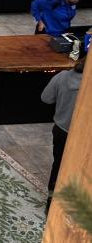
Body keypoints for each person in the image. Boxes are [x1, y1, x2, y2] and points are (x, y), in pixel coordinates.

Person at [41, 56, 85, 201]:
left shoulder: (62, 76)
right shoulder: (87, 89)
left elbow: (46, 98)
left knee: (58, 164)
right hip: (81, 135)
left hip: (60, 130)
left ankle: (51, 199)